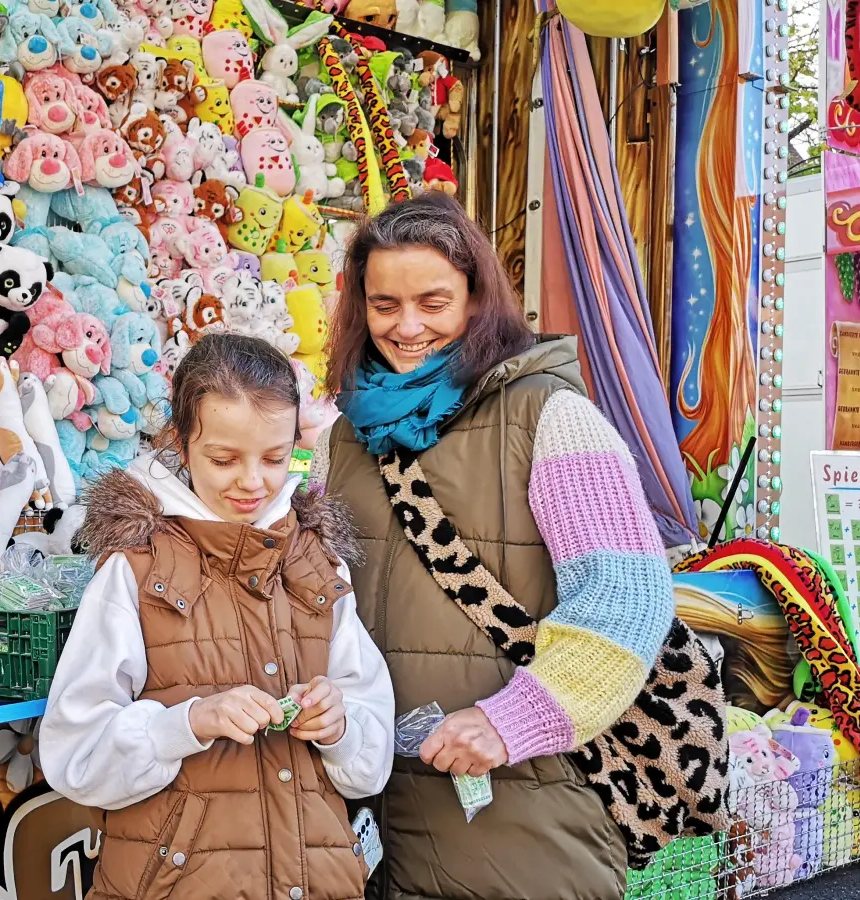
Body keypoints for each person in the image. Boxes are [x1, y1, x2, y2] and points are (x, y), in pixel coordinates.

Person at [311, 193, 675, 900]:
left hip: (520, 806)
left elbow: (627, 601)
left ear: (478, 301)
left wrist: (511, 723)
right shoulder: (344, 437)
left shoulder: (552, 416)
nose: (406, 326)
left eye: (433, 302)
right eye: (384, 304)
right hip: (373, 806)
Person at [40, 333, 395, 900]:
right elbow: (75, 756)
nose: (253, 481)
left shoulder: (319, 566)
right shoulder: (135, 569)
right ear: (181, 445)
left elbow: (369, 766)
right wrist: (188, 722)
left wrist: (341, 726)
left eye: (275, 458)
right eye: (224, 460)